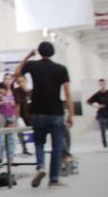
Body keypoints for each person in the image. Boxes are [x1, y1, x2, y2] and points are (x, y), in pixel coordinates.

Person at [15, 42, 73, 188]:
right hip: (56, 112)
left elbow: (17, 72)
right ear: (53, 53)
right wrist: (71, 114)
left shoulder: (33, 66)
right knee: (57, 145)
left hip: (37, 111)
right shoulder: (61, 69)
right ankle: (54, 179)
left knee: (39, 142)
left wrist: (29, 55)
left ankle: (40, 166)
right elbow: (67, 92)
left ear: (39, 52)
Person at [12, 75, 33, 155]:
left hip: (35, 117)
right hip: (25, 118)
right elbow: (18, 106)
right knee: (19, 127)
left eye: (22, 81)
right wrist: (16, 119)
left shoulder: (32, 92)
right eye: (19, 82)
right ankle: (24, 148)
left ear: (26, 81)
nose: (21, 83)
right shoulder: (17, 91)